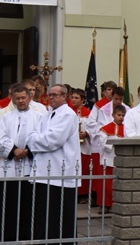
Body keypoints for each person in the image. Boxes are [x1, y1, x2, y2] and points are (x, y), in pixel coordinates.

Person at [26, 84, 81, 242]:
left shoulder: (68, 115)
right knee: (44, 215)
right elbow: (33, 134)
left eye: (55, 95)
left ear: (64, 97)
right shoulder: (48, 114)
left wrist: (35, 140)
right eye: (49, 94)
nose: (50, 97)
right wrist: (36, 139)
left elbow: (52, 140)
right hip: (45, 171)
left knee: (60, 215)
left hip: (60, 172)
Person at [0, 84, 42, 241]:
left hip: (29, 167)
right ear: (13, 99)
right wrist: (14, 150)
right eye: (17, 98)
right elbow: (1, 137)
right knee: (9, 204)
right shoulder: (5, 117)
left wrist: (27, 151)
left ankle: (27, 235)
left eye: (23, 97)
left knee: (28, 204)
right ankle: (8, 236)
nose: (21, 101)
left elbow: (41, 137)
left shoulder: (39, 117)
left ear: (30, 98)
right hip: (9, 167)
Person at [94, 104, 125, 214]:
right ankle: (104, 205)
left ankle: (116, 204)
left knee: (118, 185)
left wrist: (113, 139)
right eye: (119, 115)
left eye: (123, 115)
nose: (121, 117)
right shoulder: (105, 129)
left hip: (120, 160)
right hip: (107, 160)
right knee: (105, 185)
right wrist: (115, 140)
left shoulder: (126, 129)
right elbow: (104, 144)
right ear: (113, 115)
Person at [71, 88, 92, 203]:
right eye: (72, 97)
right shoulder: (69, 112)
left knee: (83, 169)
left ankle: (83, 194)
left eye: (76, 98)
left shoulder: (88, 113)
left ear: (83, 100)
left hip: (84, 146)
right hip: (72, 145)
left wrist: (86, 133)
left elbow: (93, 127)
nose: (73, 100)